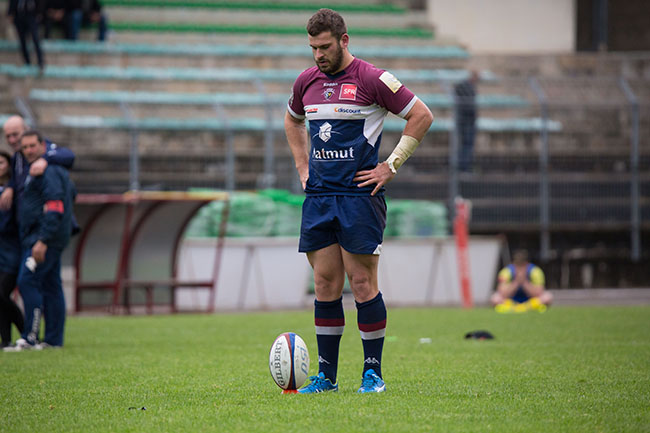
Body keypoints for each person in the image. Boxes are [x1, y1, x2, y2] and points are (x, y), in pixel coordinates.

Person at [284, 8, 433, 393]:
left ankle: (372, 374)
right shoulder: (306, 82)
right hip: (320, 196)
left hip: (359, 196)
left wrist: (390, 165)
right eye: (313, 48)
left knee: (363, 282)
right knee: (324, 283)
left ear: (344, 41)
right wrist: (303, 167)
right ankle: (326, 377)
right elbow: (292, 119)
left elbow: (421, 115)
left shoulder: (372, 79)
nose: (318, 55)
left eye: (325, 47)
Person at [4, 131, 75, 351]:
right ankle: (53, 340)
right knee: (51, 285)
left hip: (43, 239)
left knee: (28, 281)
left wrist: (43, 239)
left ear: (43, 146)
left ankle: (30, 337)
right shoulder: (35, 170)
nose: (28, 151)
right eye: (25, 147)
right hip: (44, 236)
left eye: (32, 146)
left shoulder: (48, 170)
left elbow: (55, 206)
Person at [0, 115, 75, 216]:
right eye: (8, 136)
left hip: (45, 219)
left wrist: (45, 159)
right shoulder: (16, 157)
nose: (12, 140)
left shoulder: (45, 151)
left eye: (15, 134)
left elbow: (69, 155)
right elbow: (16, 179)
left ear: (26, 130)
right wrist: (10, 187)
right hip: (26, 219)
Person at [0, 150, 24, 349]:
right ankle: (6, 340)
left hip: (11, 250)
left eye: (0, 162)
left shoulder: (16, 190)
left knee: (1, 293)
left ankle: (26, 332)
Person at [7, 0, 46, 71]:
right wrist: (10, 13)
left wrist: (39, 13)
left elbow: (40, 3)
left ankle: (40, 61)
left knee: (36, 38)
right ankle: (27, 62)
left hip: (31, 15)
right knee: (22, 41)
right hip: (19, 16)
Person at [453, 70, 479, 172]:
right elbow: (470, 107)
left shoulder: (465, 87)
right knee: (466, 145)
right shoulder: (466, 87)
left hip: (466, 121)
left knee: (465, 144)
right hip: (467, 121)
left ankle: (463, 166)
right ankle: (464, 167)